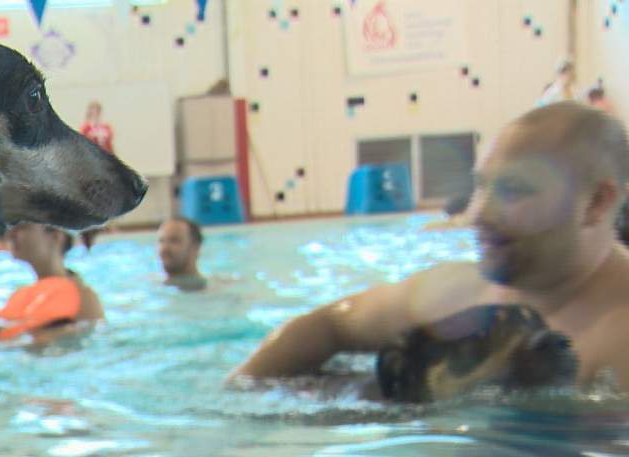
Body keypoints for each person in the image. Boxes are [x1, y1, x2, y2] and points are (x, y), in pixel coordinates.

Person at [232, 101, 629, 392]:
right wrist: (241, 396)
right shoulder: (456, 292)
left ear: (596, 202)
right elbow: (330, 323)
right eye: (480, 186)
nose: (477, 214)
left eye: (514, 190)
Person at [157, 217, 206, 290]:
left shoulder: (214, 289)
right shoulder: (151, 284)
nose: (164, 248)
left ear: (195, 247)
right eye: (161, 241)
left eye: (174, 240)